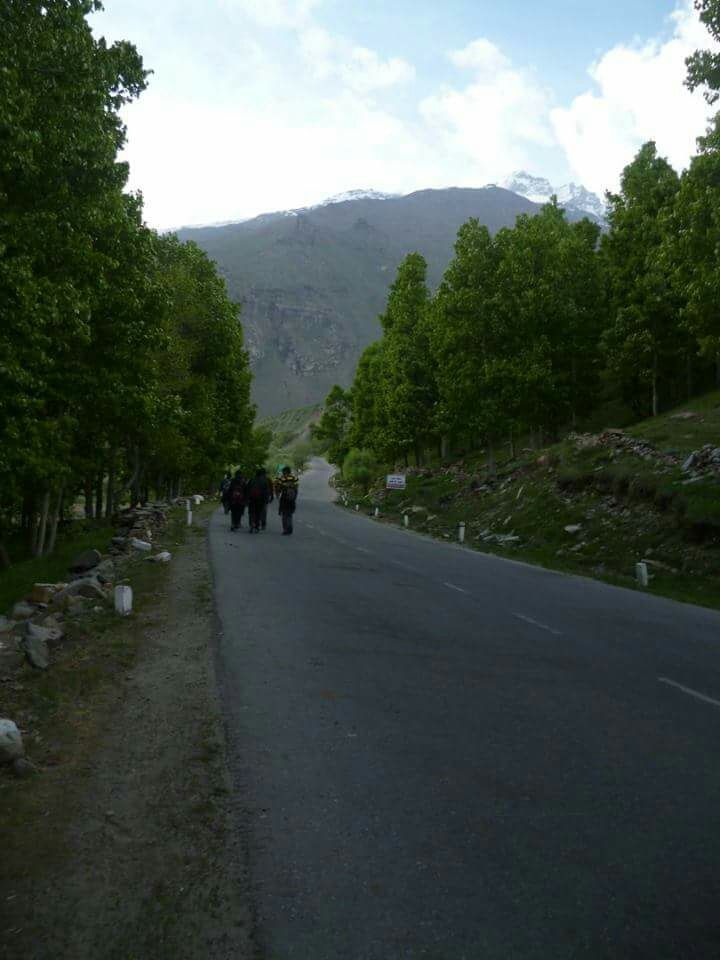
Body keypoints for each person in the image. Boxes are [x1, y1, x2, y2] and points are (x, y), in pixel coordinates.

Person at [246, 467, 273, 533]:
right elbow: (267, 491)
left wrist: (247, 499)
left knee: (251, 512)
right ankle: (257, 526)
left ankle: (251, 524)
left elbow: (247, 489)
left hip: (252, 499)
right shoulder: (266, 480)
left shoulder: (252, 480)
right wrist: (268, 498)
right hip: (261, 500)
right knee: (258, 513)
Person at [276, 466, 298, 536]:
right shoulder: (295, 478)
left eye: (283, 472)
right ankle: (290, 527)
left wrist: (277, 495)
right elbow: (296, 488)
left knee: (284, 514)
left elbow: (278, 488)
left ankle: (285, 529)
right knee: (289, 514)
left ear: (284, 471)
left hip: (284, 498)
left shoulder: (282, 478)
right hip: (292, 499)